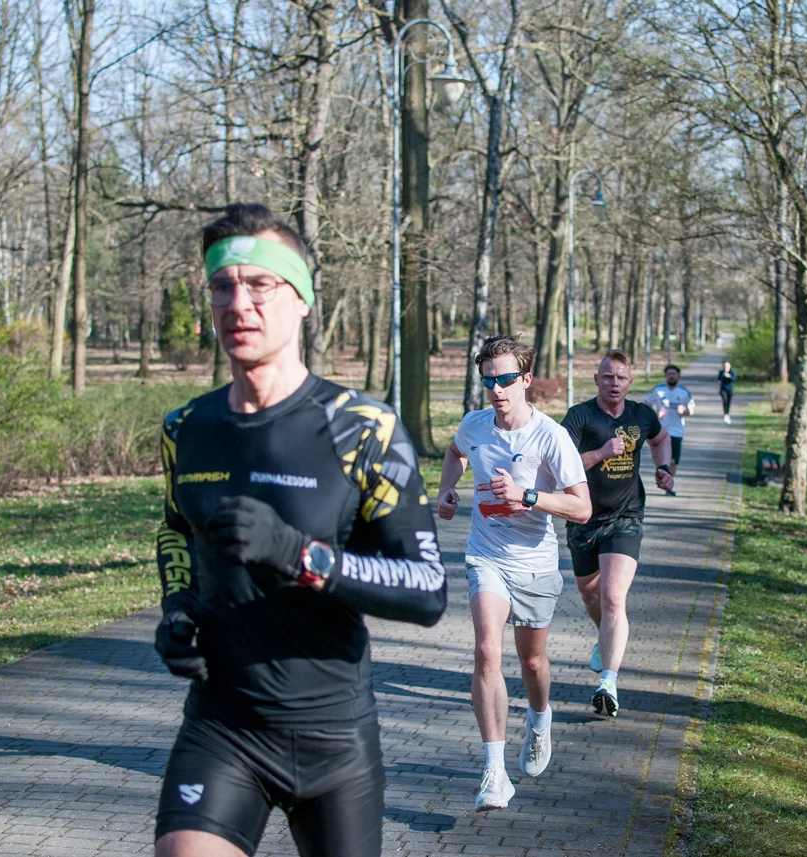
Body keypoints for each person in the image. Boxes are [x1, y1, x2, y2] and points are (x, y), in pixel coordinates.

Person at [153, 203, 447, 857]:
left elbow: (427, 589)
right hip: (222, 725)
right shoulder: (185, 429)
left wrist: (297, 553)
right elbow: (176, 531)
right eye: (223, 286)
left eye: (260, 284)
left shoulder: (362, 428)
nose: (239, 304)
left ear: (303, 299)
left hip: (333, 736)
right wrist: (177, 609)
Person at [436, 334, 591, 811]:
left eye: (505, 379)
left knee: (532, 662)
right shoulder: (475, 424)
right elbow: (455, 453)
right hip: (486, 554)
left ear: (526, 379)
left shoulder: (550, 436)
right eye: (488, 381)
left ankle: (540, 719)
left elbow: (582, 507)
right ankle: (495, 772)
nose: (496, 389)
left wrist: (527, 496)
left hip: (535, 563)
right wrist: (447, 491)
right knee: (487, 650)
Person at [561, 350, 674, 719]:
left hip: (626, 517)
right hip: (582, 517)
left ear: (630, 382)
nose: (614, 383)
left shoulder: (641, 415)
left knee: (613, 598)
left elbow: (661, 438)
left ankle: (608, 683)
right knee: (590, 594)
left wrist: (664, 468)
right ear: (597, 379)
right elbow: (559, 466)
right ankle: (605, 638)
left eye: (621, 378)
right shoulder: (579, 416)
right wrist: (600, 453)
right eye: (608, 377)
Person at [646, 365, 695, 495]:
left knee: (673, 461)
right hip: (660, 431)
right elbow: (646, 404)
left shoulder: (684, 392)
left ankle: (668, 484)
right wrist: (656, 414)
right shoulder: (658, 390)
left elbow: (691, 410)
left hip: (677, 431)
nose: (671, 376)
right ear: (666, 376)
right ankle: (664, 482)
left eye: (674, 374)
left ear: (678, 376)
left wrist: (684, 411)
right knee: (662, 460)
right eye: (669, 374)